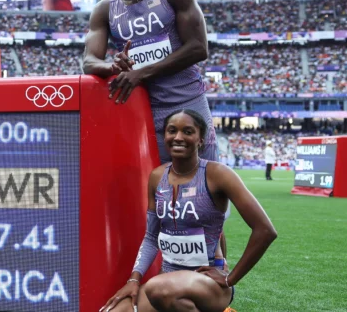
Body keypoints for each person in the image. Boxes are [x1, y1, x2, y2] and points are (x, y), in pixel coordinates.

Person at [100, 110, 277, 312]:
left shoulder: (218, 174)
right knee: (111, 310)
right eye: (172, 131)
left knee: (158, 288)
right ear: (164, 136)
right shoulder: (157, 177)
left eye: (188, 131)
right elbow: (151, 237)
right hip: (167, 282)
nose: (178, 137)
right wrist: (134, 278)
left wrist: (230, 278)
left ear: (200, 139)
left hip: (208, 284)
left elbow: (265, 230)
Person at [82, 0, 216, 164]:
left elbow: (198, 47)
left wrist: (141, 73)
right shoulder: (105, 10)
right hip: (146, 110)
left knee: (207, 180)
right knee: (159, 188)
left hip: (188, 100)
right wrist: (113, 67)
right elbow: (89, 62)